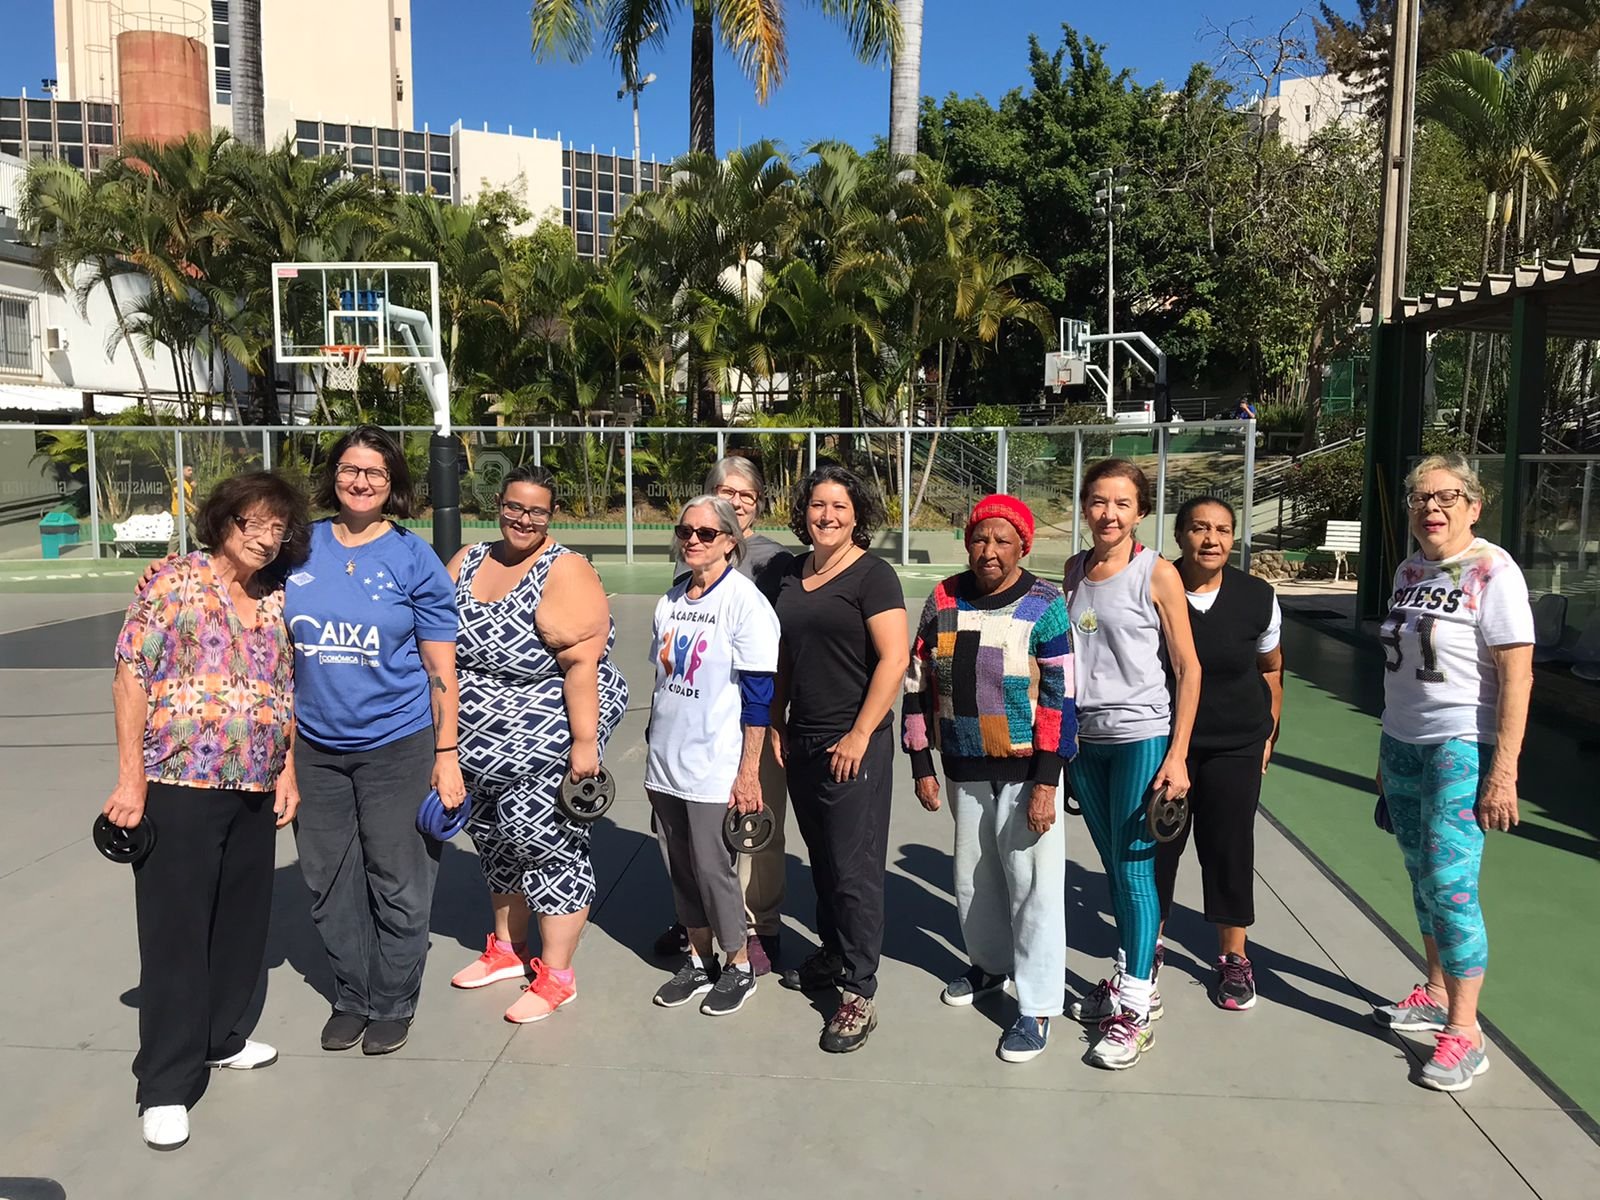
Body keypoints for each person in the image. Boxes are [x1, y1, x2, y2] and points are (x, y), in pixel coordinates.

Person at [107, 471, 309, 1150]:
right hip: (179, 782)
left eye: (278, 528)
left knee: (241, 923)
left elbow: (283, 688)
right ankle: (165, 1083)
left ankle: (220, 1037)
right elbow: (130, 675)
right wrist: (130, 781)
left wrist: (286, 771)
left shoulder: (275, 596)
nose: (265, 538)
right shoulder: (173, 582)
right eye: (253, 522)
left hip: (254, 785)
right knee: (176, 933)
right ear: (223, 520)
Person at [288, 425, 463, 1056]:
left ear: (393, 485)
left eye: (375, 473)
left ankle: (392, 1000)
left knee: (398, 879)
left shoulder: (413, 558)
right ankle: (352, 996)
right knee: (328, 880)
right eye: (349, 469)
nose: (360, 481)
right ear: (333, 474)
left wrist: (447, 756)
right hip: (314, 747)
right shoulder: (299, 547)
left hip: (397, 744)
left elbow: (441, 669)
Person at [1371, 453, 1533, 1092]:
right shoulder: (1409, 569)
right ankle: (1437, 991)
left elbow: (1517, 675)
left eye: (1446, 497)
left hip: (1460, 745)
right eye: (1419, 498)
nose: (1430, 508)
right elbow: (1402, 669)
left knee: (1451, 881)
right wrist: (1383, 753)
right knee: (1420, 874)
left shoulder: (1493, 570)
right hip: (1402, 742)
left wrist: (1503, 771)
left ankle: (1466, 1032)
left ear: (1473, 505)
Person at [445, 466, 628, 1023]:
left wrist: (584, 746)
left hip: (543, 735)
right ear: (498, 505)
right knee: (495, 843)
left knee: (546, 845)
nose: (523, 519)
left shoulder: (564, 569)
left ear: (551, 516)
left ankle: (557, 976)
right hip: (476, 742)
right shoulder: (469, 559)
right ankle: (506, 949)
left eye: (536, 511)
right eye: (514, 507)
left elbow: (582, 666)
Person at [903, 494, 1077, 1063]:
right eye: (980, 538)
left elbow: (1060, 698)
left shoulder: (1046, 604)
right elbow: (917, 683)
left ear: (1023, 546)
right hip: (964, 766)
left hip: (1028, 772)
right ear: (967, 542)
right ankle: (990, 966)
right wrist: (922, 763)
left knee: (1033, 886)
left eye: (1003, 540)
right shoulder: (943, 598)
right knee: (974, 878)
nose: (990, 550)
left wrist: (1047, 782)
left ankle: (1038, 1004)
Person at [1064, 458, 1200, 1070]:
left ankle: (1137, 1009)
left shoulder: (1157, 572)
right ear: (1085, 507)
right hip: (1085, 741)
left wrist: (1178, 755)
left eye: (1122, 503)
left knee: (1136, 870)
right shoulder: (1074, 570)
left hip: (1141, 736)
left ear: (1140, 512)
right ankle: (1130, 974)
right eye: (1099, 501)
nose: (1109, 514)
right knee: (1114, 868)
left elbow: (1188, 668)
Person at [771, 463, 908, 1053]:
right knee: (823, 859)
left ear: (858, 517)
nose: (826, 516)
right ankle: (832, 953)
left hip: (855, 742)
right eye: (817, 505)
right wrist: (776, 720)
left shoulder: (873, 576)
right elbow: (780, 655)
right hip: (802, 738)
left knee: (855, 870)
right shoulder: (789, 574)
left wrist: (858, 734)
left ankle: (859, 990)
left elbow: (894, 660)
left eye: (839, 507)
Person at [654, 455, 795, 973]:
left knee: (752, 824)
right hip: (698, 723)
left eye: (745, 495)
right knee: (696, 837)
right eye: (724, 491)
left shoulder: (774, 563)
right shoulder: (692, 553)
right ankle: (704, 921)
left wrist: (773, 718)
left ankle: (759, 925)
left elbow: (775, 652)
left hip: (753, 714)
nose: (734, 501)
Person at [1154, 496, 1283, 1012]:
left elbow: (1271, 668)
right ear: (1180, 535)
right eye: (1200, 529)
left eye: (1223, 530)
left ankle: (1233, 957)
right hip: (1165, 745)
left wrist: (1269, 734)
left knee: (1229, 848)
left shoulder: (1257, 596)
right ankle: (1147, 947)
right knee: (1156, 848)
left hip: (1236, 744)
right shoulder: (1154, 587)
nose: (1212, 540)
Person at [167, 463, 196, 554]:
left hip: (189, 513)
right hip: (180, 513)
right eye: (188, 470)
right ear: (182, 470)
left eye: (191, 470)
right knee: (177, 535)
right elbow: (181, 497)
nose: (191, 472)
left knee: (196, 534)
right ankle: (170, 556)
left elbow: (191, 497)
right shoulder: (176, 482)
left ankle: (206, 554)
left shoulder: (188, 482)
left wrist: (193, 488)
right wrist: (194, 507)